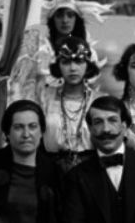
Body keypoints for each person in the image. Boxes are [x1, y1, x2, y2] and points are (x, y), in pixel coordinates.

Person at [39, 36, 100, 173]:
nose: (73, 68)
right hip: (51, 170)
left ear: (88, 65)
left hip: (91, 172)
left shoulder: (98, 101)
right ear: (58, 65)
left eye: (79, 61)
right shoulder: (44, 97)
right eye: (66, 62)